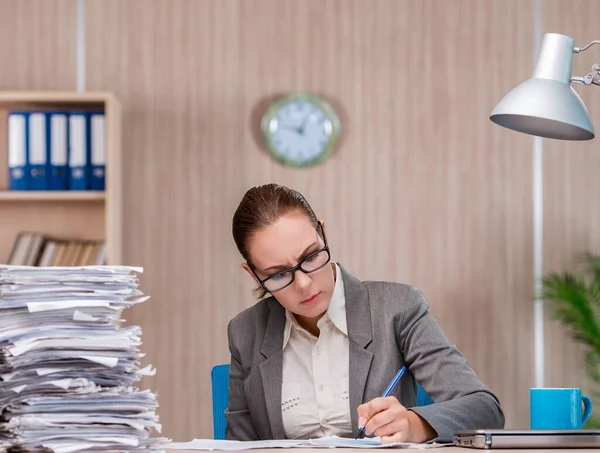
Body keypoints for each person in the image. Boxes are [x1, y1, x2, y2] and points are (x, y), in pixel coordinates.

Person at [226, 183, 504, 443]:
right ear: (252, 274)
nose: (303, 283)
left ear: (323, 233)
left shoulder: (397, 307)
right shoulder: (245, 332)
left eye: (310, 257)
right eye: (277, 275)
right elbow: (239, 446)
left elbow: (485, 409)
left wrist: (412, 424)